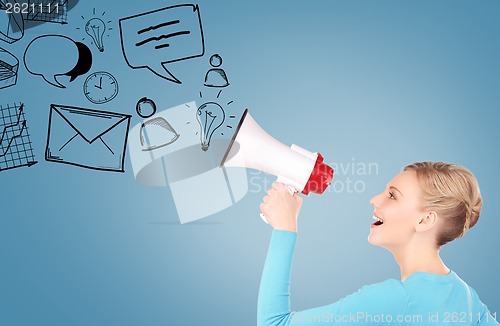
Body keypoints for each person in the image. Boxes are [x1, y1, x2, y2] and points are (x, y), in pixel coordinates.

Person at [258, 162, 499, 325]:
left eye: (392, 196)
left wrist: (284, 227)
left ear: (426, 220)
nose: (374, 199)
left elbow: (274, 323)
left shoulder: (395, 299)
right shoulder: (466, 297)